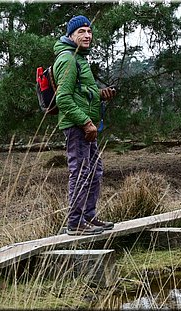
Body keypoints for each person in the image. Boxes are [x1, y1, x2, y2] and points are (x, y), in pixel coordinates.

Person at [53, 15, 117, 236]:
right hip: (77, 127)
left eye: (89, 31)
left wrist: (101, 95)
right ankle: (75, 223)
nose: (87, 35)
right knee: (80, 172)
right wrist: (86, 122)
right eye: (81, 31)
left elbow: (81, 94)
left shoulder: (80, 59)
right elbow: (63, 98)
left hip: (86, 127)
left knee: (94, 172)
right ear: (71, 35)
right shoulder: (68, 60)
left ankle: (88, 217)